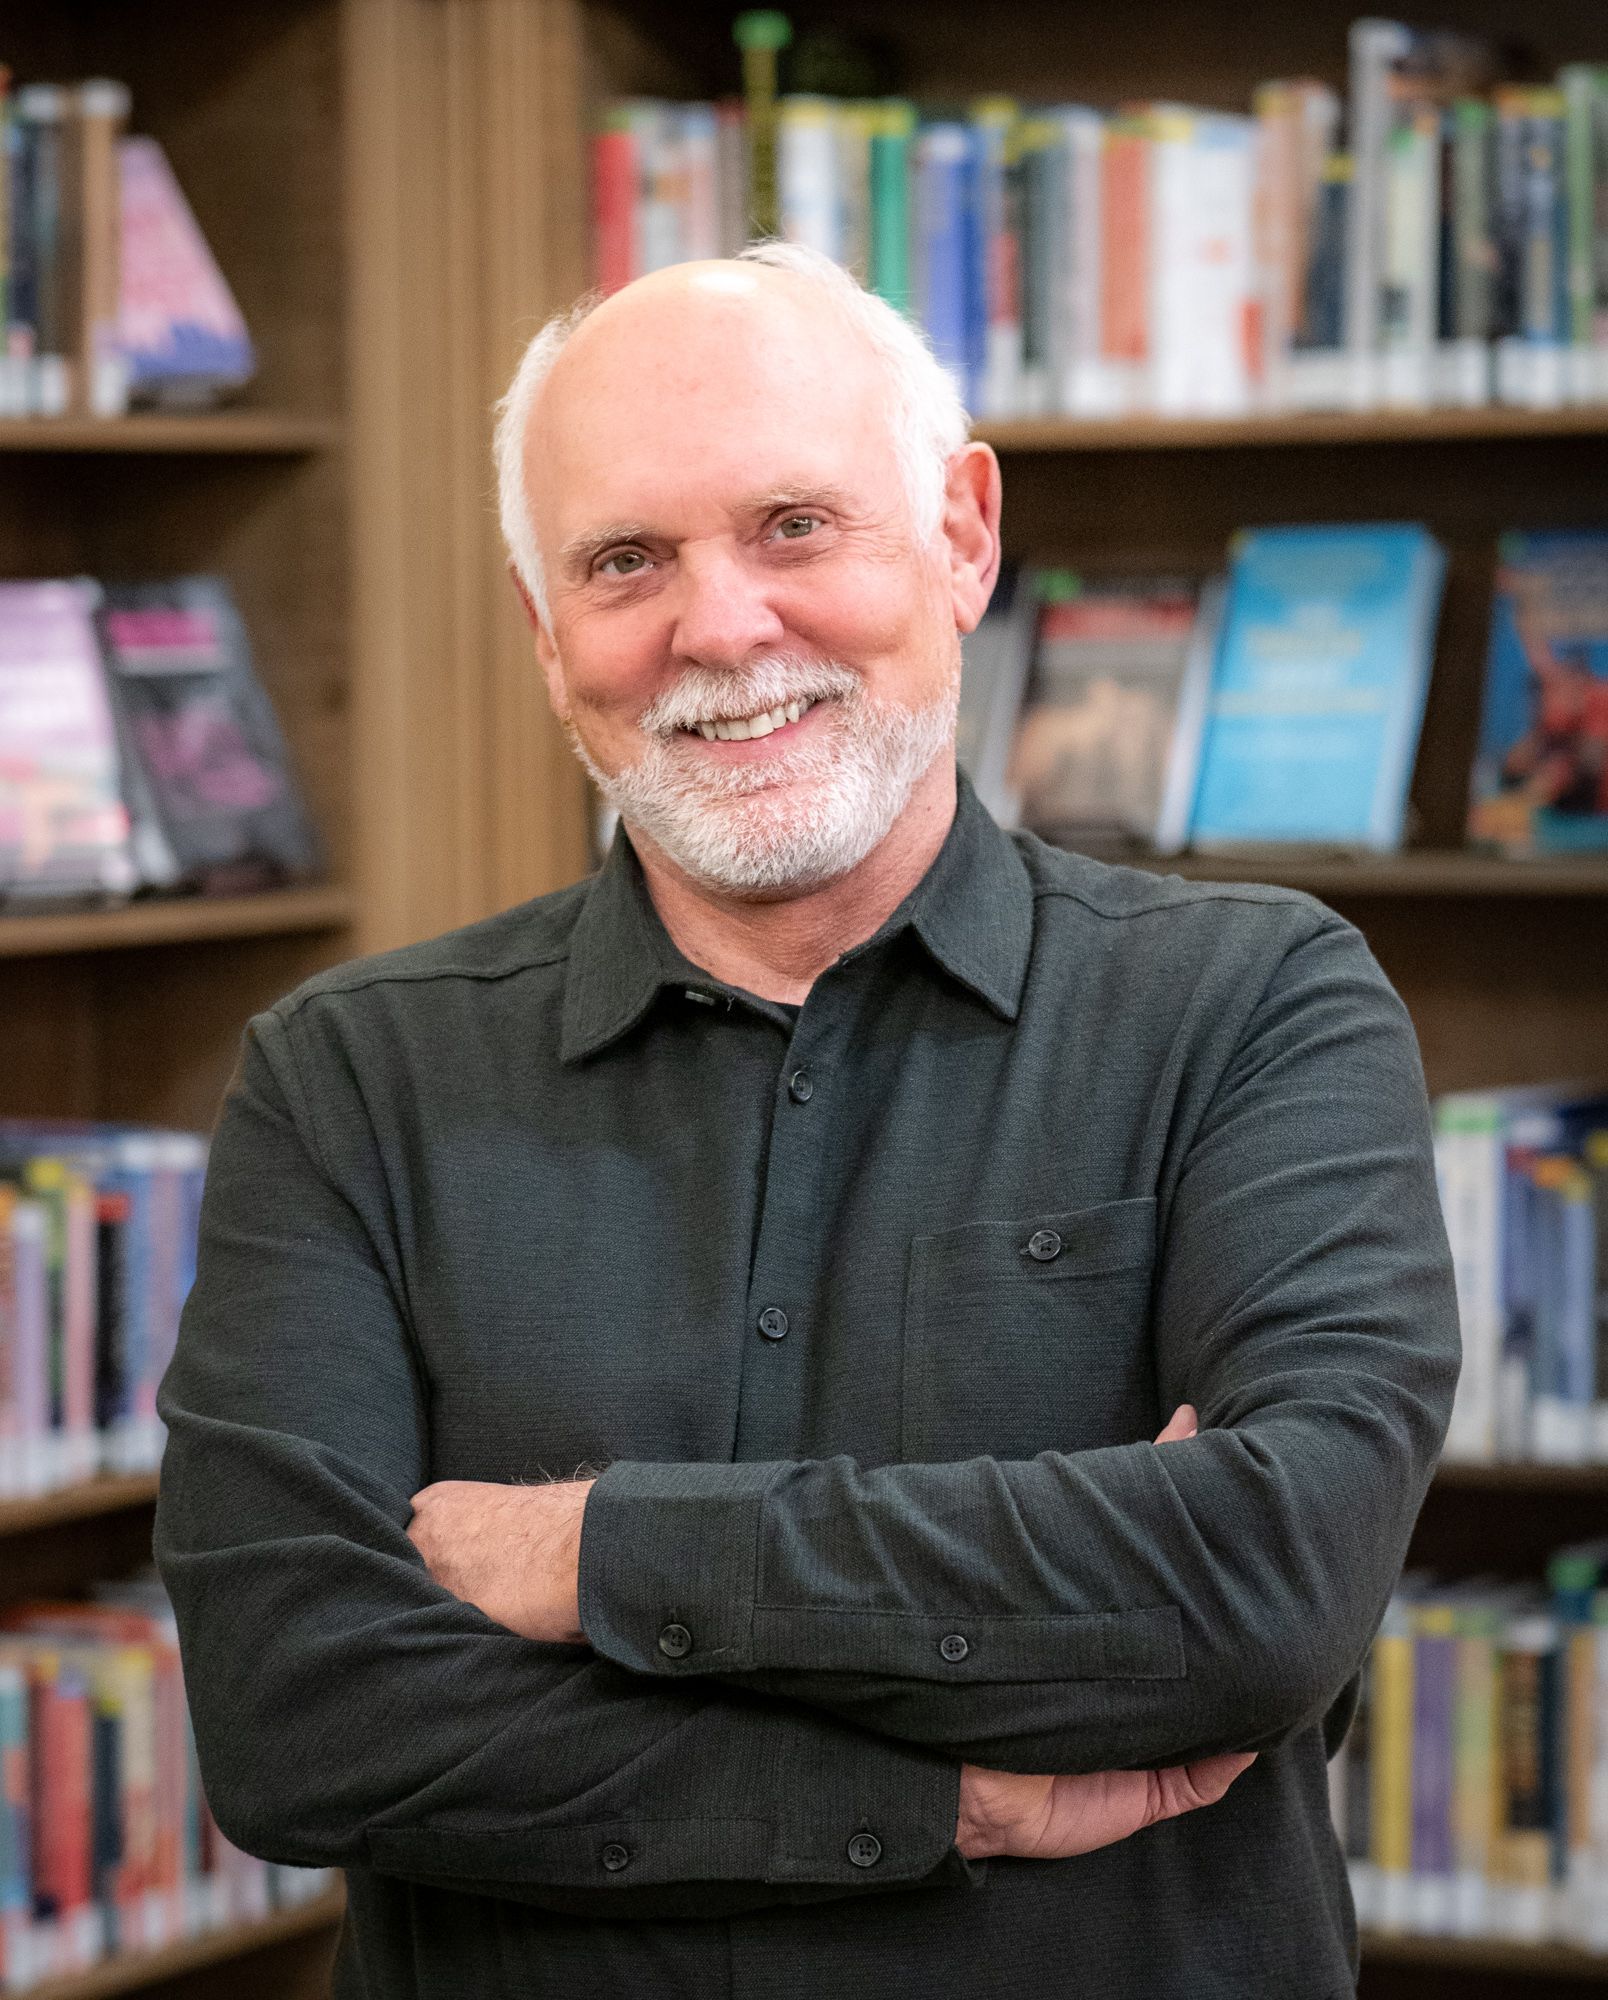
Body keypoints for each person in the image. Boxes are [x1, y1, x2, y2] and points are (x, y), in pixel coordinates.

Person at [153, 242, 1461, 2000]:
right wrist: (948, 1793)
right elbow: (301, 1722)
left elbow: (1265, 1591)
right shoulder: (348, 1081)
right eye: (626, 560)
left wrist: (591, 1551)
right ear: (552, 640)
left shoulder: (1253, 1011)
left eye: (792, 525)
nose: (719, 626)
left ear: (962, 536)